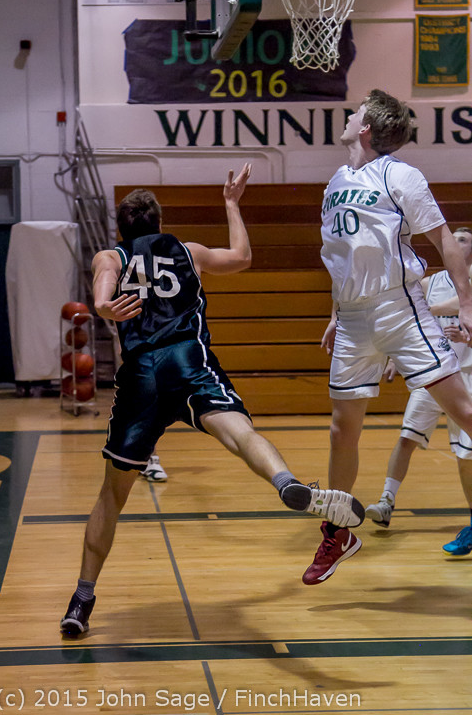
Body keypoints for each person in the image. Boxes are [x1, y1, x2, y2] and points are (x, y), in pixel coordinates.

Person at [60, 164, 365, 636]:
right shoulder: (187, 249)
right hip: (187, 358)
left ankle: (81, 600)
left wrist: (103, 306)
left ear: (120, 228)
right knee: (240, 433)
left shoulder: (111, 255)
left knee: (112, 495)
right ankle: (285, 482)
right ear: (159, 223)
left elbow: (102, 290)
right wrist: (231, 203)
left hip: (141, 374)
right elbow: (242, 257)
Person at [303, 88, 472, 586]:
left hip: (400, 309)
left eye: (356, 113)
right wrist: (336, 311)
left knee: (463, 412)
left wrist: (466, 303)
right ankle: (338, 532)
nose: (350, 115)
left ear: (367, 129)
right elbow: (348, 252)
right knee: (342, 429)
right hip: (354, 317)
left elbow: (443, 239)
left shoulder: (401, 174)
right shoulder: (337, 179)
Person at [366, 227, 472, 555]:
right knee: (407, 438)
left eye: (465, 238)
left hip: (467, 376)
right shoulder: (429, 282)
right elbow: (408, 324)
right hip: (434, 373)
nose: (457, 240)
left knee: (466, 455)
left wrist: (432, 314)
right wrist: (394, 359)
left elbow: (431, 310)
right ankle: (386, 501)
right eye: (454, 236)